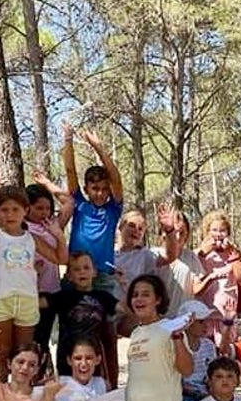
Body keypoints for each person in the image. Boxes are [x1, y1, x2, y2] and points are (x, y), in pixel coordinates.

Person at [0, 185, 68, 382]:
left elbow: (60, 258)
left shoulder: (32, 238)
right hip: (0, 299)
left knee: (23, 353)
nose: (10, 214)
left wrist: (59, 236)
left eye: (15, 209)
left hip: (27, 300)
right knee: (2, 352)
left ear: (25, 211)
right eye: (4, 210)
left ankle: (21, 399)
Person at [63, 123, 125, 381]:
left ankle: (109, 388)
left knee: (106, 333)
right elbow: (69, 170)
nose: (99, 194)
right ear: (87, 190)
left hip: (103, 277)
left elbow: (116, 177)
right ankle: (71, 383)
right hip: (75, 275)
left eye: (103, 189)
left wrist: (98, 146)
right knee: (73, 332)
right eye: (94, 189)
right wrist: (68, 140)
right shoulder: (79, 204)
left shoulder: (113, 209)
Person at [45, 252, 118, 385]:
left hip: (94, 357)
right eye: (76, 269)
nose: (82, 272)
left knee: (95, 395)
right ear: (69, 276)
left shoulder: (103, 297)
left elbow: (125, 308)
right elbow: (39, 302)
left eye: (86, 268)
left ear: (95, 272)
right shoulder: (62, 297)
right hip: (68, 357)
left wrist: (124, 285)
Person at [24, 181, 74, 375]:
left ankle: (46, 379)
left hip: (52, 290)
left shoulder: (52, 224)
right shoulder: (22, 227)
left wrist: (46, 183)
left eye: (47, 208)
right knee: (32, 341)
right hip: (30, 293)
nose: (44, 212)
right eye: (39, 208)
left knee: (44, 339)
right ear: (27, 208)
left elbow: (69, 203)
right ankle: (29, 382)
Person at [195, 209, 241, 346]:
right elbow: (193, 280)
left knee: (227, 356)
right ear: (207, 232)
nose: (218, 234)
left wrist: (232, 256)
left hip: (227, 316)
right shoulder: (199, 253)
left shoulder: (234, 253)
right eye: (214, 230)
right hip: (205, 316)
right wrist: (203, 253)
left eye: (222, 230)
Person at [156, 203, 207, 315]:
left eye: (182, 233)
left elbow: (196, 288)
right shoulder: (154, 255)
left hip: (183, 319)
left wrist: (211, 279)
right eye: (174, 232)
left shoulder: (191, 257)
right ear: (163, 233)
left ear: (187, 235)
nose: (178, 237)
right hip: (158, 321)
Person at [114, 209, 159, 336]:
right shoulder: (108, 253)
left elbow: (152, 287)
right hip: (108, 311)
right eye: (132, 226)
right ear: (121, 226)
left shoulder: (146, 256)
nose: (136, 231)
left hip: (132, 312)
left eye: (141, 229)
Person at [179, 300, 219, 401]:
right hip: (183, 395)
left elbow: (211, 375)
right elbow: (177, 382)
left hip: (205, 393)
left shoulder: (209, 345)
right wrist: (198, 394)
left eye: (207, 320)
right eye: (201, 321)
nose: (206, 325)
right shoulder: (176, 345)